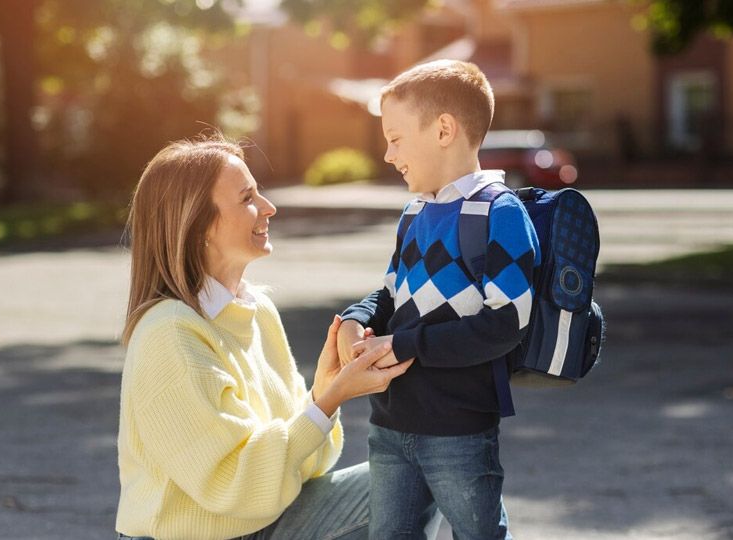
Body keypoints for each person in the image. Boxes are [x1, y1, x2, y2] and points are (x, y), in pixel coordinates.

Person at [115, 136, 413, 540]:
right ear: (200, 225)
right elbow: (233, 485)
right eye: (247, 198)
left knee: (428, 475)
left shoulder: (255, 310)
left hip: (262, 523)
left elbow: (306, 466)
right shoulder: (170, 334)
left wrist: (321, 394)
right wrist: (328, 401)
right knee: (415, 484)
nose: (269, 207)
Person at [337, 60, 541, 540]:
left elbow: (506, 323)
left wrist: (406, 345)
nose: (388, 154)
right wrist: (356, 316)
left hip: (459, 431)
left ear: (444, 129)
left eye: (396, 138)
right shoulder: (414, 213)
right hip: (389, 425)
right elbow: (389, 291)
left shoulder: (498, 212)